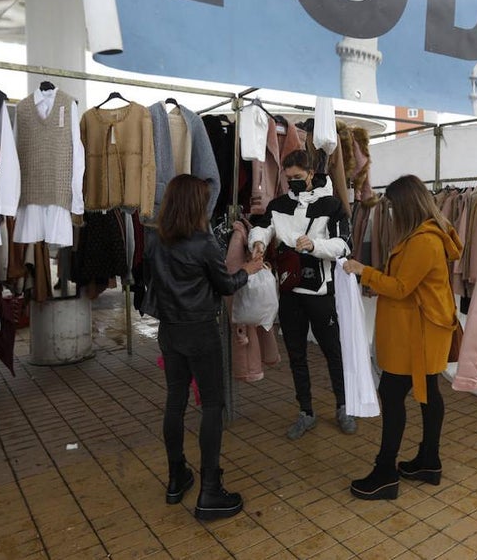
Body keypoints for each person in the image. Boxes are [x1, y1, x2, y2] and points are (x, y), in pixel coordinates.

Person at [146, 174, 265, 520]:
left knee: (175, 402)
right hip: (200, 332)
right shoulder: (204, 243)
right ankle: (209, 491)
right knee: (213, 406)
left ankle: (175, 478)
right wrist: (249, 268)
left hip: (170, 331)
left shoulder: (156, 240)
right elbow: (226, 285)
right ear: (196, 205)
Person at [343, 174, 462, 500]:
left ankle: (385, 474)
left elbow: (401, 287)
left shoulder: (424, 240)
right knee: (428, 393)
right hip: (421, 330)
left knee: (393, 395)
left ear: (406, 205)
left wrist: (362, 271)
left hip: (418, 334)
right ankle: (429, 461)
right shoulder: (422, 236)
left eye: (394, 207)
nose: (391, 214)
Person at [249, 150, 355, 439]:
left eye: (298, 177)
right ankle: (305, 411)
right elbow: (262, 228)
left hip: (320, 291)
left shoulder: (332, 205)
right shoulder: (278, 204)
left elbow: (344, 245)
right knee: (296, 354)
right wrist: (257, 243)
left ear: (311, 174)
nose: (293, 182)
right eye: (288, 178)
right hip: (289, 289)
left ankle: (343, 406)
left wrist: (315, 246)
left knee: (332, 350)